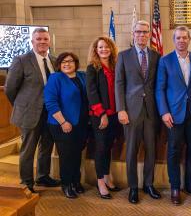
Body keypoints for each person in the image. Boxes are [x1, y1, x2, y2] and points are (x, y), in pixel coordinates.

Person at [155, 26, 191, 205]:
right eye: (178, 38)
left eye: (185, 37)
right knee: (174, 152)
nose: (181, 41)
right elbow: (159, 89)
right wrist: (164, 112)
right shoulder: (165, 61)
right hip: (173, 115)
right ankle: (175, 187)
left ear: (189, 39)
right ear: (174, 40)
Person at [5, 28, 60, 193]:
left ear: (49, 41)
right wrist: (23, 106)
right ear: (32, 41)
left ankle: (42, 177)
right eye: (38, 39)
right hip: (29, 113)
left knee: (46, 146)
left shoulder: (54, 60)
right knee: (28, 149)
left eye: (45, 39)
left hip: (50, 113)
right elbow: (10, 89)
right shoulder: (21, 60)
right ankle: (26, 182)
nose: (42, 42)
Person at [116, 20, 161, 204]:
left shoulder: (156, 56)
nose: (141, 35)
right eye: (138, 32)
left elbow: (158, 84)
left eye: (145, 32)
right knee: (131, 151)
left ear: (149, 34)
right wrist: (121, 109)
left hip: (151, 111)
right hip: (131, 111)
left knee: (151, 150)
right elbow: (119, 84)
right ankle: (133, 187)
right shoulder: (123, 56)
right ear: (133, 34)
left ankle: (148, 184)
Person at [44, 52, 88, 199]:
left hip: (80, 123)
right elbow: (51, 103)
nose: (67, 64)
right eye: (63, 62)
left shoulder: (82, 76)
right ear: (59, 64)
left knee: (76, 154)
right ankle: (66, 184)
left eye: (70, 61)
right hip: (62, 124)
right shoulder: (55, 78)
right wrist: (63, 122)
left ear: (75, 63)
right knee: (67, 156)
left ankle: (76, 181)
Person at [86, 36, 122, 199]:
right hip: (100, 115)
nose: (103, 50)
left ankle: (107, 177)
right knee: (100, 148)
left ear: (111, 49)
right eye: (100, 47)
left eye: (106, 47)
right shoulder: (92, 68)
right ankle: (100, 182)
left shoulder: (115, 66)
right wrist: (102, 114)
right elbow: (91, 93)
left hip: (115, 114)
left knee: (108, 147)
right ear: (95, 50)